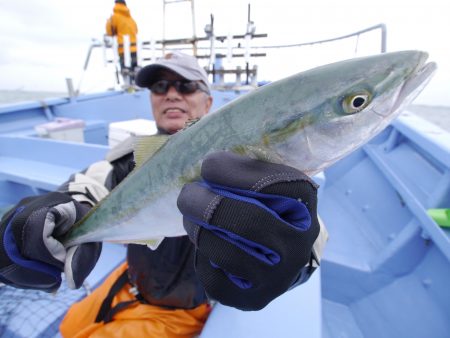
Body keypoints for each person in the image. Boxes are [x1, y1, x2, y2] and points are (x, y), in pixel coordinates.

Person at [0, 52, 326, 337]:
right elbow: (87, 187)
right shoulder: (130, 157)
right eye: (160, 87)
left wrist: (293, 265)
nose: (171, 94)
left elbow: (301, 227)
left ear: (209, 102)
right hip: (129, 282)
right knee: (70, 327)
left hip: (185, 309)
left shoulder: (244, 159)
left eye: (186, 86)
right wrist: (36, 224)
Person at [105, 0, 139, 83]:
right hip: (134, 49)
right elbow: (136, 30)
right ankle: (135, 86)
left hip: (123, 50)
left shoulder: (114, 17)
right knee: (135, 71)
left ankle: (129, 88)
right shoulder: (131, 19)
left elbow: (109, 32)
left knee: (126, 72)